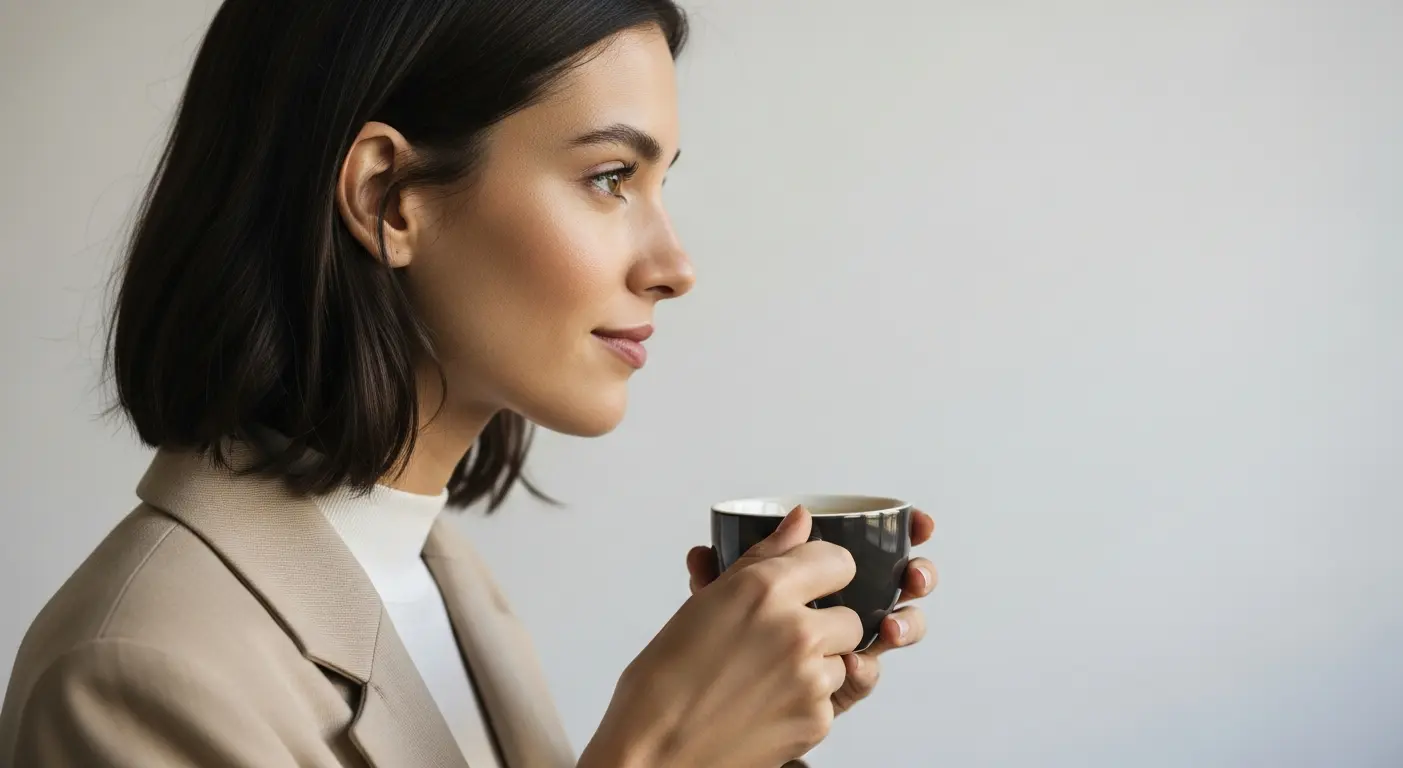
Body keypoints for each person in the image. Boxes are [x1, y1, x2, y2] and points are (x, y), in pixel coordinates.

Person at [0, 1, 937, 766]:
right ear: (386, 199)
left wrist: (736, 736)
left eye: (661, 183)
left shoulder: (442, 583)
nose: (674, 265)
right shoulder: (134, 674)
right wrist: (658, 756)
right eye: (611, 177)